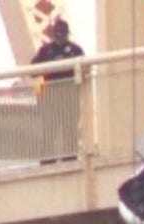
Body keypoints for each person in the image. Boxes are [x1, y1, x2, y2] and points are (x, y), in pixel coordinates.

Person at [29, 18, 84, 162]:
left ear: (66, 34)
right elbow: (33, 71)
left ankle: (70, 159)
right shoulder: (45, 51)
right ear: (53, 34)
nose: (60, 36)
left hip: (69, 97)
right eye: (58, 33)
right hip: (50, 97)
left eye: (62, 33)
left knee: (69, 129)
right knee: (49, 129)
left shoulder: (76, 51)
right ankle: (47, 160)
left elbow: (85, 72)